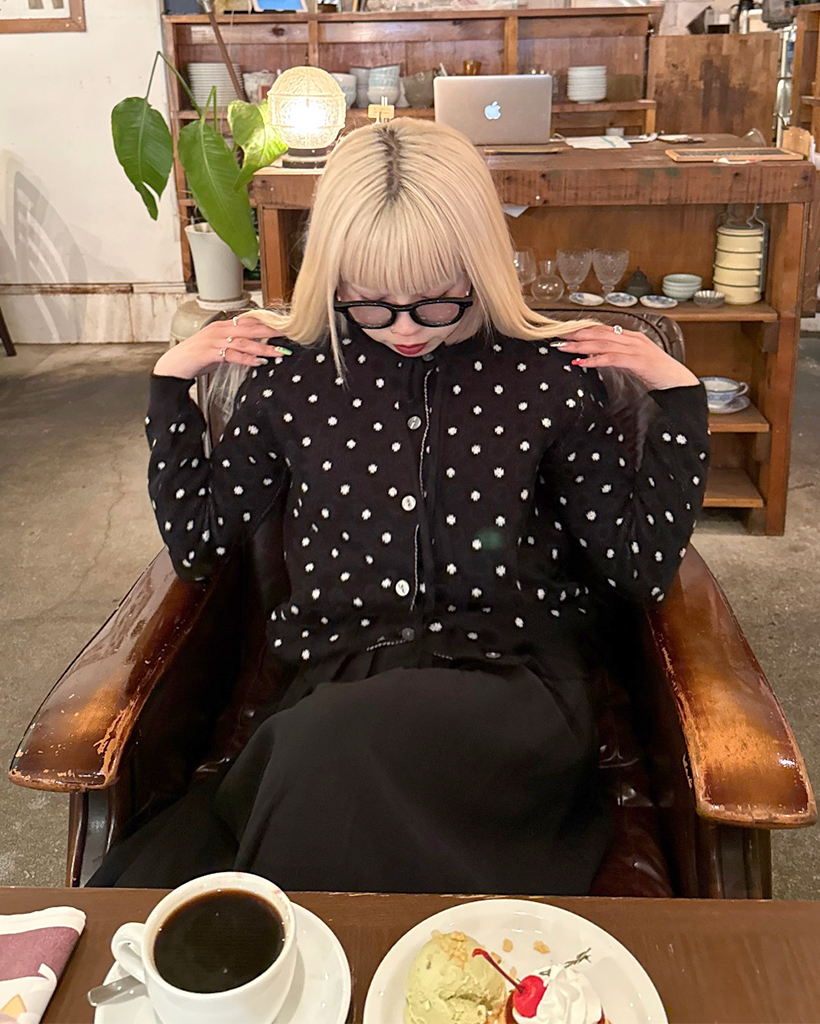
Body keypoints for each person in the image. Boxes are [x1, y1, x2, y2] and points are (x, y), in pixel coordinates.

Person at [88, 118, 709, 894]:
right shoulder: (292, 379)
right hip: (334, 685)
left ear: (479, 269)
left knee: (312, 766)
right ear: (333, 275)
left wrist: (680, 400)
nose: (406, 328)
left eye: (438, 302)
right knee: (313, 759)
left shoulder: (549, 378)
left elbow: (640, 567)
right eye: (372, 303)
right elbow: (198, 546)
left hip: (509, 692)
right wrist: (170, 387)